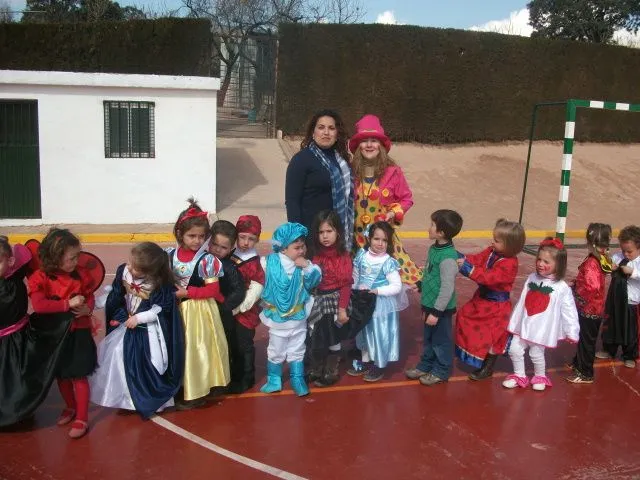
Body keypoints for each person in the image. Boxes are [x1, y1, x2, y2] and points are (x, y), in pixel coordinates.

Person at [90, 242, 185, 417]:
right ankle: (125, 398)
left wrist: (139, 318)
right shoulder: (124, 271)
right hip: (127, 324)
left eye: (136, 268)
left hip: (147, 330)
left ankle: (151, 399)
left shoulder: (159, 283)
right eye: (130, 263)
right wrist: (97, 304)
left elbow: (160, 308)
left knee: (151, 363)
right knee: (118, 356)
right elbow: (116, 294)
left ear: (151, 272)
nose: (130, 268)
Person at [27, 228, 101, 438]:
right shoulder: (40, 277)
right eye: (72, 258)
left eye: (77, 255)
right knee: (61, 374)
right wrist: (67, 304)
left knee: (78, 374)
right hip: (55, 334)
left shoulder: (81, 274)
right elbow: (40, 305)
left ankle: (82, 417)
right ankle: (70, 407)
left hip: (79, 331)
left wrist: (88, 307)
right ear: (54, 257)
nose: (76, 261)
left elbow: (89, 297)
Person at [166, 198, 229, 409]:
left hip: (198, 312)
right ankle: (178, 386)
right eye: (191, 236)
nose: (196, 240)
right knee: (176, 349)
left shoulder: (207, 260)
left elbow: (213, 290)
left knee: (196, 350)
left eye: (201, 236)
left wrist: (187, 292)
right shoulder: (169, 255)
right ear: (179, 234)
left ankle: (196, 392)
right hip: (174, 311)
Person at [349, 114, 422, 285]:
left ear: (381, 145)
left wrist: (393, 213)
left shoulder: (393, 172)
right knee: (360, 282)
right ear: (358, 146)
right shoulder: (350, 171)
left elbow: (406, 199)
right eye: (364, 140)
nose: (369, 145)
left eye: (374, 140)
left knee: (392, 278)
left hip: (383, 238)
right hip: (356, 240)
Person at [503, 238, 580, 391]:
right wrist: (515, 320)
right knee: (514, 349)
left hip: (541, 328)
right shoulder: (532, 277)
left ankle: (540, 376)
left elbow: (569, 310)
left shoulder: (561, 287)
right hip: (524, 324)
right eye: (539, 259)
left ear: (558, 265)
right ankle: (519, 375)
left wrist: (572, 331)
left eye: (546, 261)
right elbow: (523, 302)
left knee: (536, 353)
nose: (540, 264)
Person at [455, 219, 526, 380]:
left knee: (491, 337)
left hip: (496, 308)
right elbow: (477, 259)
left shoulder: (510, 264)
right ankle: (475, 354)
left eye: (497, 240)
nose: (492, 241)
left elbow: (490, 277)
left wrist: (467, 268)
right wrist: (462, 257)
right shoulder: (492, 252)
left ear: (510, 245)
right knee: (464, 317)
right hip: (481, 301)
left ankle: (487, 366)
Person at [260, 222, 322, 396]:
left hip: (298, 318)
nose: (301, 251)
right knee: (275, 350)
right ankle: (274, 379)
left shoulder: (304, 266)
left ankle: (297, 378)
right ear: (283, 249)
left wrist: (307, 266)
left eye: (303, 247)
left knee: (297, 349)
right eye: (297, 247)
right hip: (277, 320)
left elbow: (315, 280)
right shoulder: (267, 263)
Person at [405, 210, 463, 386]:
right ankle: (425, 365)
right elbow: (430, 273)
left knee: (441, 341)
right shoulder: (434, 249)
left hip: (440, 309)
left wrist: (436, 313)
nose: (428, 228)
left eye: (432, 225)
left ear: (441, 232)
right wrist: (421, 284)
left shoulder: (447, 257)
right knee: (428, 338)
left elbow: (447, 288)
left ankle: (441, 371)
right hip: (429, 304)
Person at [347, 221, 408, 382]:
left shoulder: (388, 263)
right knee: (364, 331)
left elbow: (396, 286)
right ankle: (366, 358)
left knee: (378, 333)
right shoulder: (361, 255)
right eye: (376, 239)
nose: (380, 243)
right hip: (362, 301)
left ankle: (379, 364)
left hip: (379, 304)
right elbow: (355, 276)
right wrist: (353, 289)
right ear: (369, 238)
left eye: (384, 240)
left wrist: (378, 291)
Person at [285, 109, 354, 248]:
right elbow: (292, 202)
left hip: (337, 234)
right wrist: (298, 239)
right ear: (313, 132)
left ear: (337, 133)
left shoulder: (342, 161)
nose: (326, 132)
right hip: (312, 235)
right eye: (321, 127)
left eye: (331, 128)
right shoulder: (301, 160)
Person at [307, 210, 353, 387]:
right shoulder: (314, 254)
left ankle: (331, 369)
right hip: (317, 301)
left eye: (329, 231)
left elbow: (346, 284)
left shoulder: (343, 256)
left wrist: (342, 309)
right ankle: (316, 368)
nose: (325, 236)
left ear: (338, 232)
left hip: (334, 302)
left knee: (333, 337)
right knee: (317, 336)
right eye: (321, 232)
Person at [566, 223, 612, 383]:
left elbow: (592, 286)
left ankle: (585, 373)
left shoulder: (593, 262)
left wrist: (576, 288)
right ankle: (578, 362)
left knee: (587, 341)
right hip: (592, 307)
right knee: (584, 338)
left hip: (590, 308)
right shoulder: (600, 259)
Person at [209, 220, 247, 393]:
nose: (217, 249)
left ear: (231, 249)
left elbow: (239, 291)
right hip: (203, 313)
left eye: (223, 247)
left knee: (226, 347)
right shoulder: (203, 261)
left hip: (222, 315)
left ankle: (228, 380)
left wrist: (224, 306)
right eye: (214, 244)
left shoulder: (229, 267)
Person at [229, 215, 265, 393]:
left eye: (251, 239)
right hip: (229, 309)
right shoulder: (230, 255)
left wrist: (236, 309)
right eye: (242, 237)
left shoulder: (254, 263)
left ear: (257, 240)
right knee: (232, 344)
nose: (245, 242)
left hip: (244, 313)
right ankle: (233, 376)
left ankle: (246, 378)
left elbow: (254, 292)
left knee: (244, 346)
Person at [596, 225, 640, 368]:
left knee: (630, 330)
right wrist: (610, 266)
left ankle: (629, 355)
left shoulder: (638, 263)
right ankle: (609, 349)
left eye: (630, 251)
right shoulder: (617, 257)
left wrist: (632, 272)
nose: (626, 254)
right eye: (623, 250)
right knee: (611, 326)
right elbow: (607, 268)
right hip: (614, 300)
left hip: (630, 302)